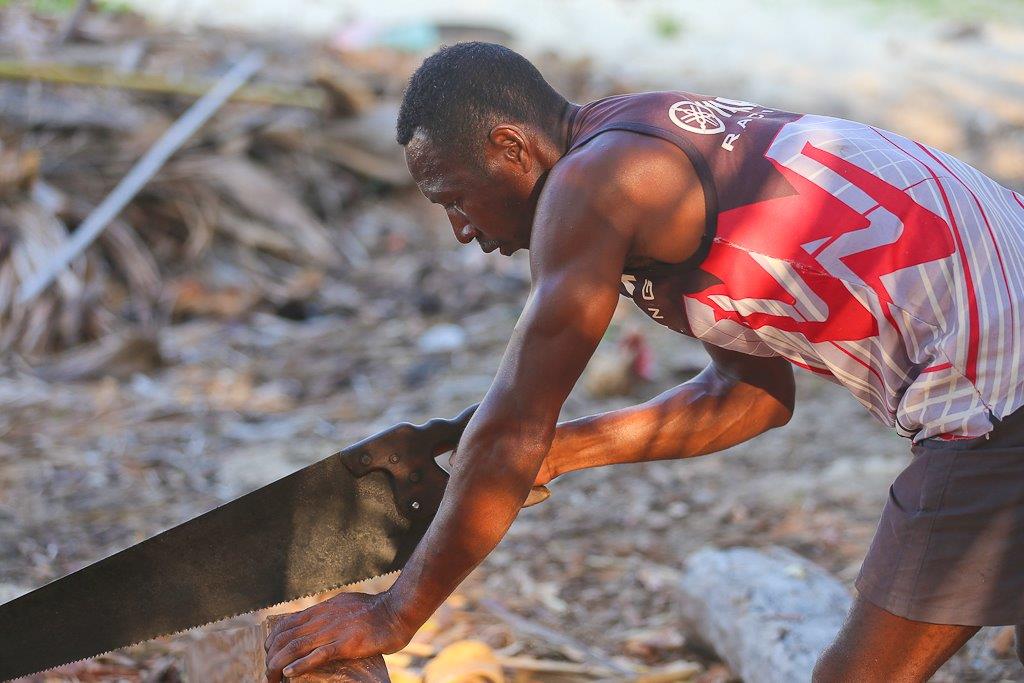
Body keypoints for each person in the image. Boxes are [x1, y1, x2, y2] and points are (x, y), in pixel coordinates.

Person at [265, 42, 1024, 682]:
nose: (462, 230)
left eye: (455, 199)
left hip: (995, 390)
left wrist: (393, 612)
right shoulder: (646, 146)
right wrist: (564, 452)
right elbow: (750, 395)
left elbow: (509, 430)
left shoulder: (595, 187)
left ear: (510, 147)